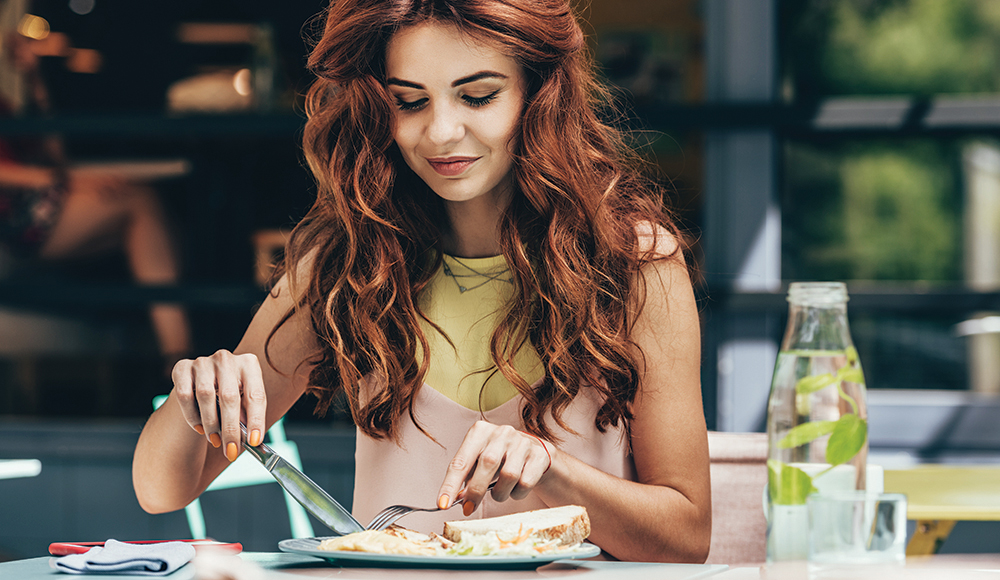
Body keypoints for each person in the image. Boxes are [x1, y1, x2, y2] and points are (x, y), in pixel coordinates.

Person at [133, 0, 710, 563]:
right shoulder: (348, 263)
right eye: (409, 102)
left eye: (478, 96)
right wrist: (199, 393)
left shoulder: (632, 261)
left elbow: (687, 536)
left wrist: (552, 470)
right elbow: (159, 492)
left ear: (538, 93)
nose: (440, 132)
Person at [0, 26, 193, 365]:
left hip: (29, 206)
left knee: (146, 209)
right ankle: (178, 359)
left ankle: (176, 357)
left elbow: (54, 154)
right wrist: (66, 181)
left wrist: (35, 80)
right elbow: (42, 171)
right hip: (13, 218)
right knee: (141, 204)